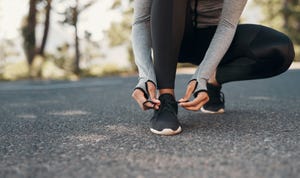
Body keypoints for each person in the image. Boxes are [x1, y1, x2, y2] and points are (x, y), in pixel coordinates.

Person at [131, 0, 295, 136]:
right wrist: (145, 76)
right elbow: (141, 20)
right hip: (169, 37)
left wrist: (203, 75)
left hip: (214, 39)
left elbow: (227, 24)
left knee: (280, 50)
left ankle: (213, 81)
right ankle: (166, 100)